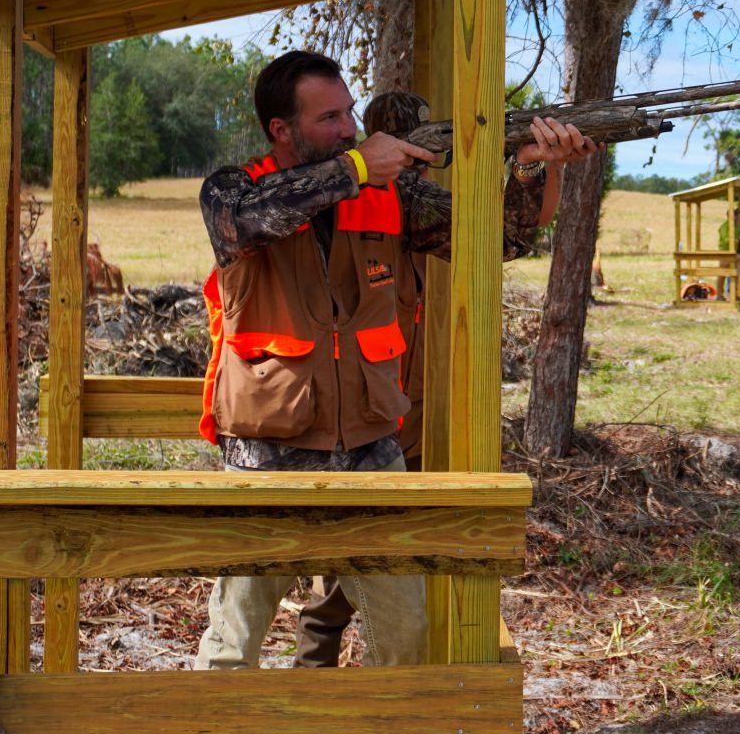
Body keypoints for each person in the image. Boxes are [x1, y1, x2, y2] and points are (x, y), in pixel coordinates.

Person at [194, 52, 597, 670]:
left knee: (406, 639)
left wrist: (528, 171)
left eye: (350, 111)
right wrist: (356, 168)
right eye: (330, 117)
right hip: (266, 454)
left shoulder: (392, 195)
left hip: (371, 447)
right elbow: (244, 221)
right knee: (232, 649)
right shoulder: (233, 188)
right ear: (281, 129)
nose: (350, 127)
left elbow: (496, 240)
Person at [293, 89, 568, 667]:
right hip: (365, 415)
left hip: (408, 410)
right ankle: (319, 685)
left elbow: (508, 235)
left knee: (379, 571)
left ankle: (374, 694)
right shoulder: (347, 197)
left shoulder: (413, 203)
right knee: (343, 574)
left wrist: (541, 167)